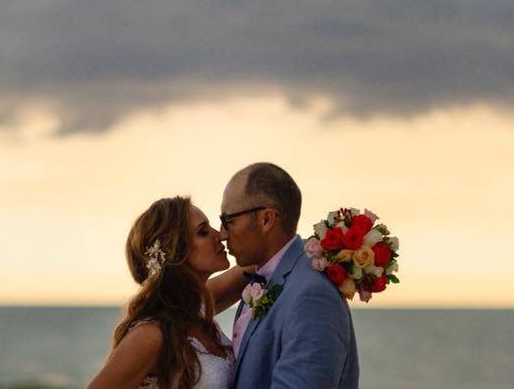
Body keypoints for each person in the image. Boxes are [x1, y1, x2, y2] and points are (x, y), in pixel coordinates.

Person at [86, 196, 251, 389]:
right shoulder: (150, 335)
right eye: (203, 232)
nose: (220, 235)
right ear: (176, 251)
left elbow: (264, 257)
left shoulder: (197, 308)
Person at [221, 162, 359, 388]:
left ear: (266, 220)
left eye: (229, 220)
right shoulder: (266, 277)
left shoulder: (312, 295)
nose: (222, 235)